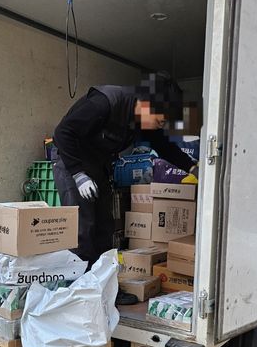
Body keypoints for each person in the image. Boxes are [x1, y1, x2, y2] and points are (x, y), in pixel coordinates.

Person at [53, 73, 197, 267]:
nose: (161, 125)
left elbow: (164, 146)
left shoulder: (143, 118)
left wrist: (192, 167)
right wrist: (79, 175)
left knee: (105, 227)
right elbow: (63, 132)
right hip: (72, 163)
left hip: (98, 166)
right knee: (82, 228)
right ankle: (81, 288)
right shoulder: (105, 102)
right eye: (161, 120)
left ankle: (104, 283)